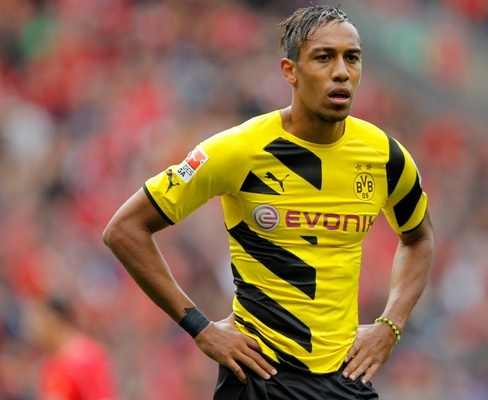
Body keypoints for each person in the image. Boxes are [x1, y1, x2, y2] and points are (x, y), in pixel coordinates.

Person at [103, 4, 435, 399]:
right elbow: (125, 229)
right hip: (260, 377)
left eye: (352, 58)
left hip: (345, 378)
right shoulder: (239, 149)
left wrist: (390, 325)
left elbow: (419, 238)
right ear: (289, 71)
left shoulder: (385, 156)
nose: (341, 72)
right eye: (324, 58)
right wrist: (200, 327)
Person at [22, 296, 118, 400]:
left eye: (38, 321)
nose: (34, 331)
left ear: (53, 319)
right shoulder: (49, 363)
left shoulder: (88, 356)